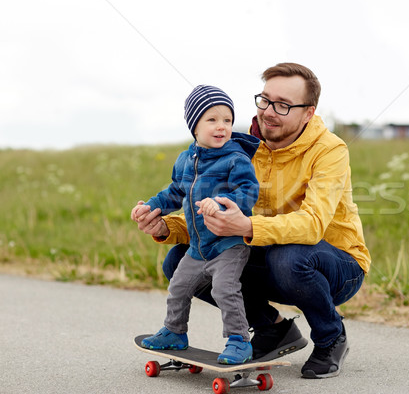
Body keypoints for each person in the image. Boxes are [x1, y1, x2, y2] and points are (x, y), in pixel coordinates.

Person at [134, 63, 371, 378]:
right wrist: (168, 228)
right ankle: (272, 329)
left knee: (287, 258)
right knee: (180, 261)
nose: (269, 111)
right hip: (266, 248)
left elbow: (312, 224)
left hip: (337, 264)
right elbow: (213, 212)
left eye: (283, 105)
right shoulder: (241, 149)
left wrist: (246, 227)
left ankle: (330, 337)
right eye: (265, 99)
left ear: (308, 113)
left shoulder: (330, 150)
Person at [131, 85, 260, 365]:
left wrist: (222, 201)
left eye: (227, 120)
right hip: (198, 247)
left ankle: (239, 340)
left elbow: (249, 190)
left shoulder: (235, 158)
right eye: (211, 120)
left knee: (224, 289)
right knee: (178, 286)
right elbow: (175, 192)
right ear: (195, 125)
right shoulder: (185, 160)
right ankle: (175, 332)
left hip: (229, 245)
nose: (221, 127)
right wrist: (151, 206)